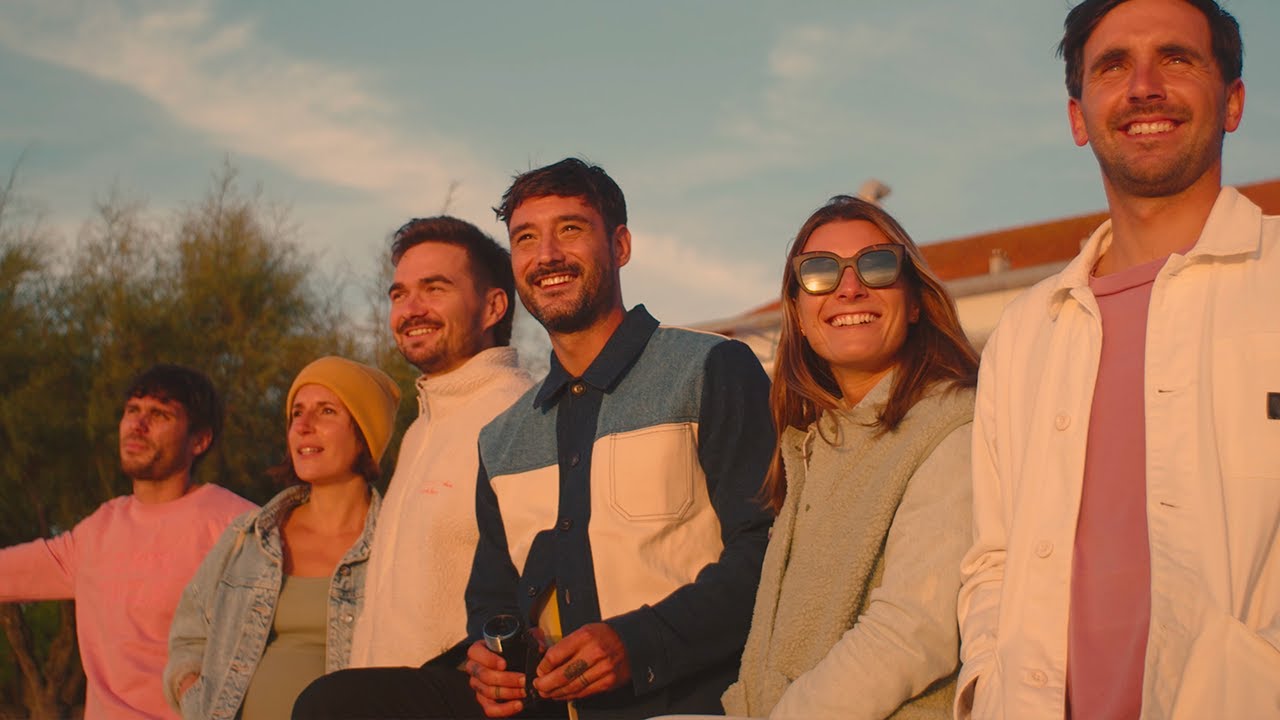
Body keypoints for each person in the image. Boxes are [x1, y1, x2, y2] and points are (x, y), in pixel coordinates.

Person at [292, 158, 775, 720]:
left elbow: (769, 548)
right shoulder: (502, 436)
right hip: (539, 710)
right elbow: (491, 598)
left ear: (619, 245)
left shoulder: (711, 368)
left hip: (682, 702)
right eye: (525, 237)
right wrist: (488, 660)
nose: (546, 255)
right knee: (336, 703)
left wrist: (638, 642)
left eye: (570, 229)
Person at [956, 0, 1280, 717]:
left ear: (1233, 102)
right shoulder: (1023, 332)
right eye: (1113, 66)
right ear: (1078, 118)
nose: (1143, 87)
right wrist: (987, 688)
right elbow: (993, 560)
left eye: (1175, 57)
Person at [715, 196, 977, 719]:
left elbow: (912, 630)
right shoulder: (813, 446)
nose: (849, 287)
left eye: (877, 265)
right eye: (819, 273)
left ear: (917, 301)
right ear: (801, 316)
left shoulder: (956, 423)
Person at [0, 364, 256, 719]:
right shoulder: (99, 529)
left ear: (200, 440)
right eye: (132, 410)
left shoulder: (240, 527)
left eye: (159, 414)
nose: (137, 425)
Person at [164, 356, 400, 719]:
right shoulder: (250, 537)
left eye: (326, 412)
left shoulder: (395, 545)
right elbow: (189, 637)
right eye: (296, 414)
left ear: (364, 435)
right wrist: (195, 697)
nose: (303, 426)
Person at [349, 216, 533, 669]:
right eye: (399, 294)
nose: (411, 309)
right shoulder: (417, 431)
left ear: (493, 308)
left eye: (434, 289)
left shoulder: (519, 417)